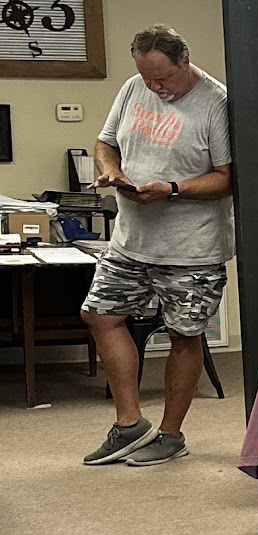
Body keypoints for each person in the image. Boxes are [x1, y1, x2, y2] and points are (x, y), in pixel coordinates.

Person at [80, 25, 235, 466]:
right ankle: (129, 424)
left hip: (192, 247)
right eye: (148, 78)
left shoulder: (216, 102)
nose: (155, 88)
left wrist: (172, 188)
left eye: (163, 78)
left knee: (184, 334)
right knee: (100, 315)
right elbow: (105, 142)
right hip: (131, 239)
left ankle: (170, 435)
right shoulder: (134, 87)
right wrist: (111, 170)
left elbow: (227, 178)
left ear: (185, 60)